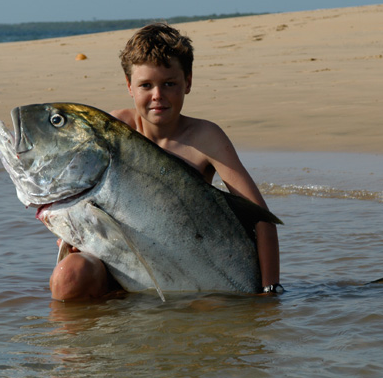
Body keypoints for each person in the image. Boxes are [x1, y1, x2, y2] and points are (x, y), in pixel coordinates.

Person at [49, 23, 281, 300]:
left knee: (211, 311)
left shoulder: (205, 137)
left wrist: (269, 292)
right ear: (129, 87)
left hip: (180, 268)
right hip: (116, 264)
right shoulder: (114, 131)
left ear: (189, 82)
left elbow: (261, 220)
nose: (158, 95)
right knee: (69, 277)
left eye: (169, 84)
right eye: (146, 85)